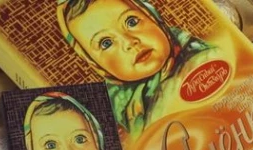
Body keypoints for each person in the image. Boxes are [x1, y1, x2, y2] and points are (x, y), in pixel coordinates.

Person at [58, 0, 213, 136]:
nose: (130, 42)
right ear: (95, 64)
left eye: (131, 22)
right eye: (106, 43)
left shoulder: (204, 59)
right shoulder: (121, 109)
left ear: (151, 16)